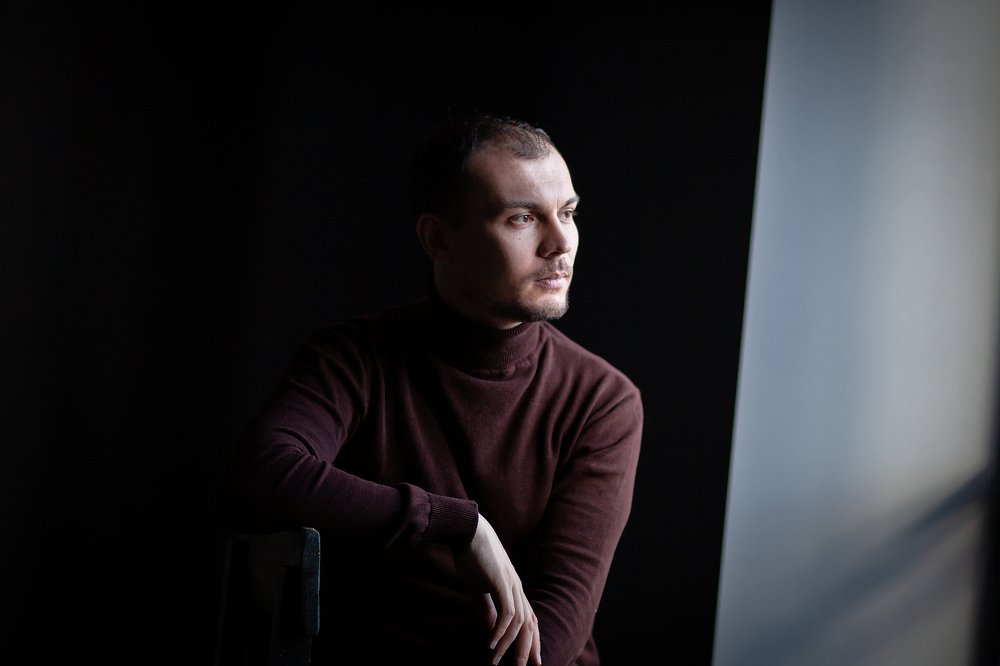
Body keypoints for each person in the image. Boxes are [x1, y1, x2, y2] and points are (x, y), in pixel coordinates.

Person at [221, 112, 644, 666]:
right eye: (522, 218)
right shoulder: (354, 358)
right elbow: (261, 473)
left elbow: (552, 640)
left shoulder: (602, 400)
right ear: (438, 238)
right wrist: (457, 524)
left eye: (568, 213)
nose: (561, 242)